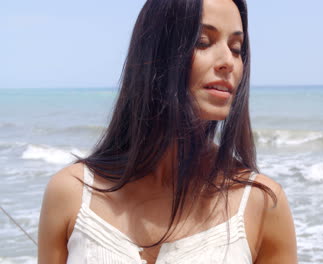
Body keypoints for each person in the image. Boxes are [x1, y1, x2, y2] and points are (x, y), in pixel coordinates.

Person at [37, 0, 297, 263]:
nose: (228, 62)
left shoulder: (261, 203)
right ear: (156, 53)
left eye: (236, 48)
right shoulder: (71, 193)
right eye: (203, 42)